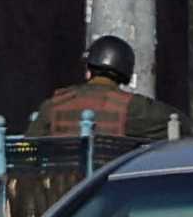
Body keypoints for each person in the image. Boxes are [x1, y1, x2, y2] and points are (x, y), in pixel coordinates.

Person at [28, 35, 178, 141]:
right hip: (109, 183)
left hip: (64, 184)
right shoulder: (132, 107)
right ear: (126, 73)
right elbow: (179, 124)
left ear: (89, 70)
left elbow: (30, 144)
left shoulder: (55, 103)